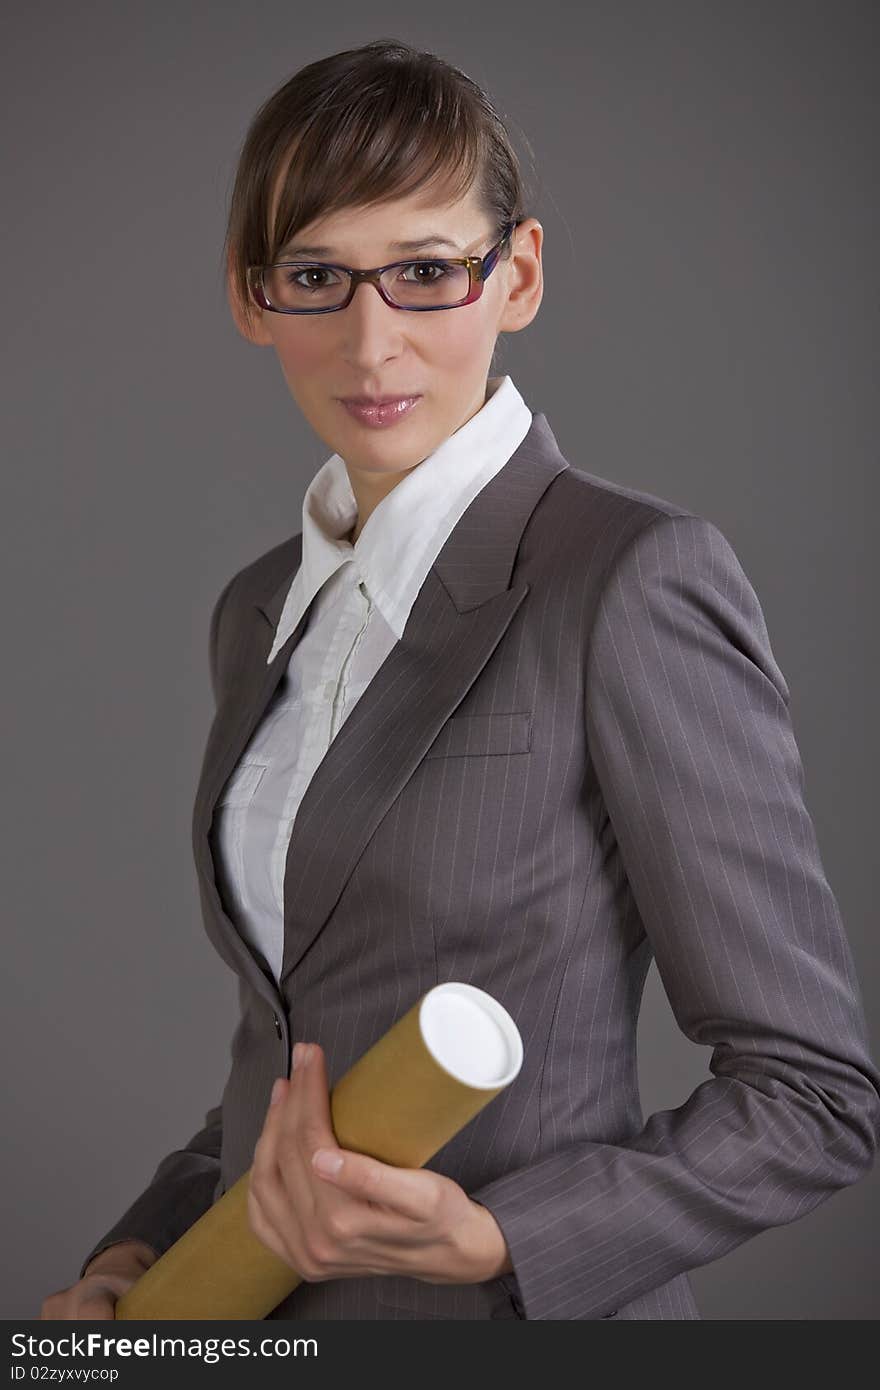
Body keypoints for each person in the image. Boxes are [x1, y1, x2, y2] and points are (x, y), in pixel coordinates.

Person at [42, 37, 879, 1323]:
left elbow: (815, 1098)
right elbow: (286, 1055)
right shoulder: (258, 607)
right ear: (251, 295)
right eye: (317, 275)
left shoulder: (628, 578)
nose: (372, 343)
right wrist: (137, 1261)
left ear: (517, 273)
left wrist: (500, 1239)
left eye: (427, 272)